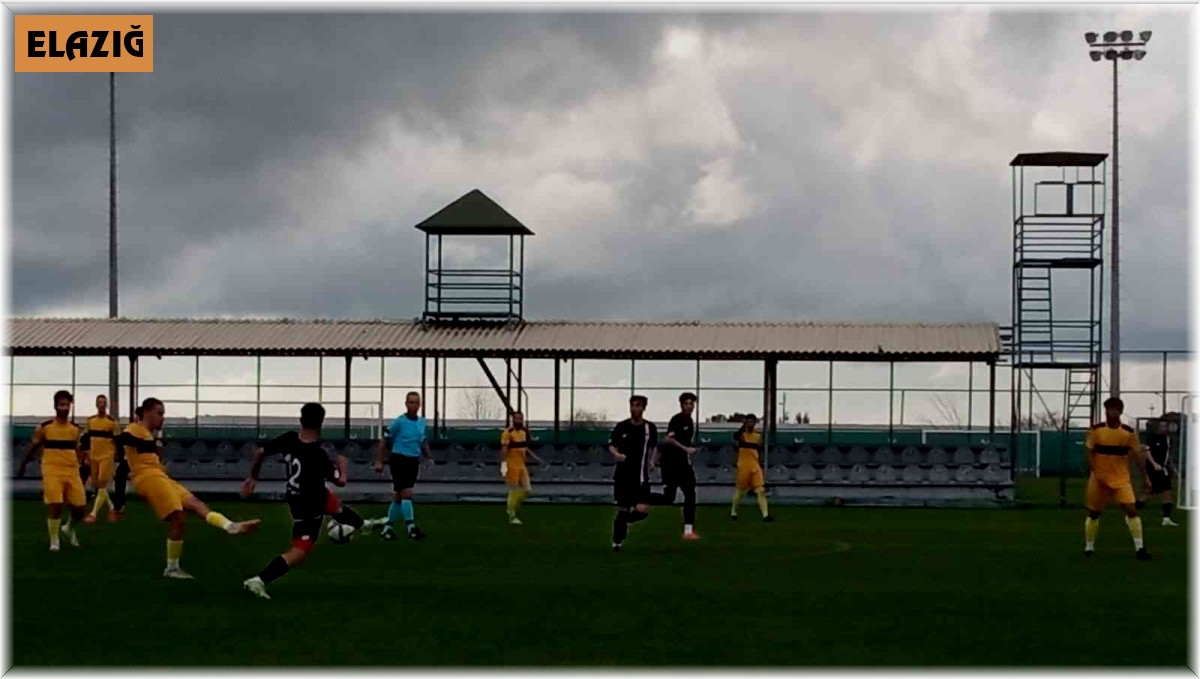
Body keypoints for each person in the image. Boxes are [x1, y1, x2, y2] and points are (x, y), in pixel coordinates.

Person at [117, 397, 261, 578]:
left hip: (159, 476)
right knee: (178, 517)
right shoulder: (135, 429)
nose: (163, 418)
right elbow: (124, 438)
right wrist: (149, 448)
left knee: (195, 503)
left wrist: (156, 454)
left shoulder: (147, 434)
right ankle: (171, 568)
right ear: (147, 413)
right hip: (148, 478)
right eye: (160, 414)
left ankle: (230, 526)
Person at [241, 403, 365, 600]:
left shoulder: (289, 438)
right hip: (308, 504)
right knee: (301, 550)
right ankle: (259, 580)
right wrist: (343, 466)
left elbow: (259, 453)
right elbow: (341, 481)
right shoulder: (318, 455)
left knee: (330, 500)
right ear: (321, 424)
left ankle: (361, 524)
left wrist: (253, 477)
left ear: (301, 420)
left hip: (296, 495)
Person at [16, 390, 88, 551]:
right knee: (56, 502)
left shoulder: (75, 429)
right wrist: (23, 465)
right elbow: (33, 446)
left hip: (71, 470)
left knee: (80, 508)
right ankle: (54, 540)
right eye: (62, 404)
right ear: (55, 406)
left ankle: (69, 528)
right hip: (52, 469)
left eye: (67, 405)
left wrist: (83, 462)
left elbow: (77, 449)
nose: (65, 408)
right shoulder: (45, 427)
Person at [1084, 397, 1152, 560]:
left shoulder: (1128, 433)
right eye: (1108, 409)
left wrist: (1145, 478)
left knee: (1132, 510)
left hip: (1121, 479)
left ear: (1120, 412)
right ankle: (1089, 546)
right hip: (1099, 479)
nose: (1110, 413)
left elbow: (1138, 456)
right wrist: (1095, 470)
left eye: (1114, 410)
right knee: (1094, 513)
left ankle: (1140, 549)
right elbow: (1089, 451)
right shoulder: (1096, 430)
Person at [371, 391, 434, 540]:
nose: (413, 405)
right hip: (399, 459)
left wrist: (429, 456)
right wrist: (379, 461)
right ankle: (411, 528)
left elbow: (423, 440)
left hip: (413, 461)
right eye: (410, 402)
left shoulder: (421, 422)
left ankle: (387, 528)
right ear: (406, 404)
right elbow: (384, 441)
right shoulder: (398, 422)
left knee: (399, 496)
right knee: (407, 493)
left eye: (416, 402)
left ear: (420, 405)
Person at [609, 395, 658, 552]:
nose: (634, 409)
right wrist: (616, 455)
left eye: (638, 406)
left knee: (642, 510)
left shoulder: (650, 428)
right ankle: (617, 540)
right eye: (632, 405)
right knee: (622, 510)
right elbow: (612, 445)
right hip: (623, 475)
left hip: (641, 476)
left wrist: (652, 461)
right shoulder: (621, 426)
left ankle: (626, 519)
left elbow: (654, 447)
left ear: (643, 408)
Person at [651, 392, 700, 540]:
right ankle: (640, 497)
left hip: (683, 463)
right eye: (687, 403)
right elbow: (669, 439)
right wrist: (686, 449)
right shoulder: (676, 420)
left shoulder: (690, 422)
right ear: (681, 405)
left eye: (692, 403)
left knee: (690, 494)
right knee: (669, 498)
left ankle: (688, 531)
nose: (690, 406)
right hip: (670, 463)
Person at [81, 394, 122, 523]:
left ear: (107, 405)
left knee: (102, 484)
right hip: (93, 456)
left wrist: (119, 455)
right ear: (96, 404)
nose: (102, 404)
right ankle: (112, 509)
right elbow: (85, 439)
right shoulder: (90, 421)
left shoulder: (112, 422)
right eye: (100, 402)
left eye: (104, 402)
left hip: (107, 456)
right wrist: (85, 454)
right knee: (98, 486)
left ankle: (93, 514)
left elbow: (118, 440)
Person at [501, 410, 545, 525]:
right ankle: (512, 515)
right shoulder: (508, 432)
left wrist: (536, 458)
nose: (518, 420)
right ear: (512, 420)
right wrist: (503, 464)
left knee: (527, 490)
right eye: (516, 418)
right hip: (511, 465)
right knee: (513, 490)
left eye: (520, 418)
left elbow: (525, 448)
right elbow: (504, 449)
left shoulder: (524, 432)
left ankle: (511, 506)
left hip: (522, 465)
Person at [1137, 420, 1179, 527]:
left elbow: (1167, 456)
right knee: (1149, 491)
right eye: (1162, 426)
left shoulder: (1168, 440)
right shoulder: (1152, 438)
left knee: (1166, 491)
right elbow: (1147, 452)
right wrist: (1154, 463)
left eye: (1165, 426)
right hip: (1153, 469)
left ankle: (1166, 519)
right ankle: (1132, 511)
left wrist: (1172, 469)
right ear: (1158, 428)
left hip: (1162, 469)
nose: (1164, 428)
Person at [731, 414, 772, 522]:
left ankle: (765, 515)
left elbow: (758, 450)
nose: (750, 424)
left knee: (760, 491)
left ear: (755, 423)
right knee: (740, 492)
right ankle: (734, 512)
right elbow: (735, 437)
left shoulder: (758, 436)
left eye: (751, 422)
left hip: (754, 466)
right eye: (748, 422)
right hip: (743, 466)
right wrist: (743, 426)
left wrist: (760, 463)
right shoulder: (742, 435)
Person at [109, 405, 142, 520]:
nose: (137, 417)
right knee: (119, 477)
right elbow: (124, 439)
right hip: (129, 460)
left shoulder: (143, 429)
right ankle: (119, 505)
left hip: (139, 461)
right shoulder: (132, 428)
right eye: (136, 415)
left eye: (138, 415)